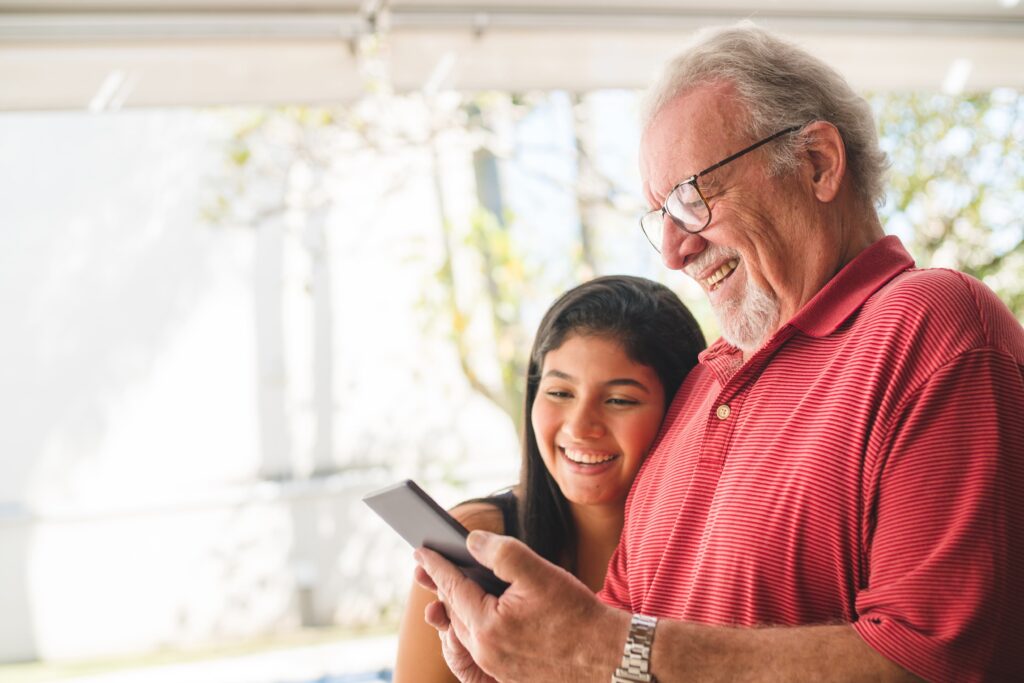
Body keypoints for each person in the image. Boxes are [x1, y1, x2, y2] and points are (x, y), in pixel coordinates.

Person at [415, 23, 1024, 683]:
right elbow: (619, 644)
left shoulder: (934, 325)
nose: (674, 252)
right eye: (661, 217)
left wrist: (605, 648)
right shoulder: (707, 380)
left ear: (817, 162)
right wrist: (525, 664)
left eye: (692, 198)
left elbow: (937, 660)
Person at [393, 275, 705, 683]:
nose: (580, 426)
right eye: (560, 393)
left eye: (619, 400)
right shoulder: (477, 540)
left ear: (684, 411)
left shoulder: (718, 554)